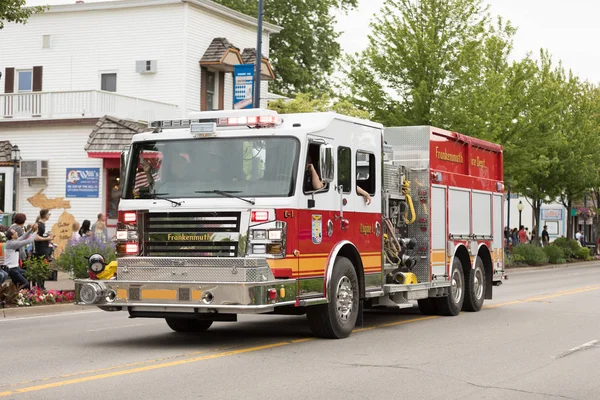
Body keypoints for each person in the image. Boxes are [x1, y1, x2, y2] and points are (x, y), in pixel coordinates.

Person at [6, 224, 39, 289]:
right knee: (25, 284)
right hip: (11, 269)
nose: (17, 232)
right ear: (12, 236)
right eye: (15, 232)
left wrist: (31, 229)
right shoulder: (11, 244)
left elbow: (23, 237)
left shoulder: (13, 241)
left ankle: (29, 294)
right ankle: (26, 295)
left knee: (30, 276)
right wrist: (36, 231)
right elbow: (28, 241)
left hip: (15, 267)